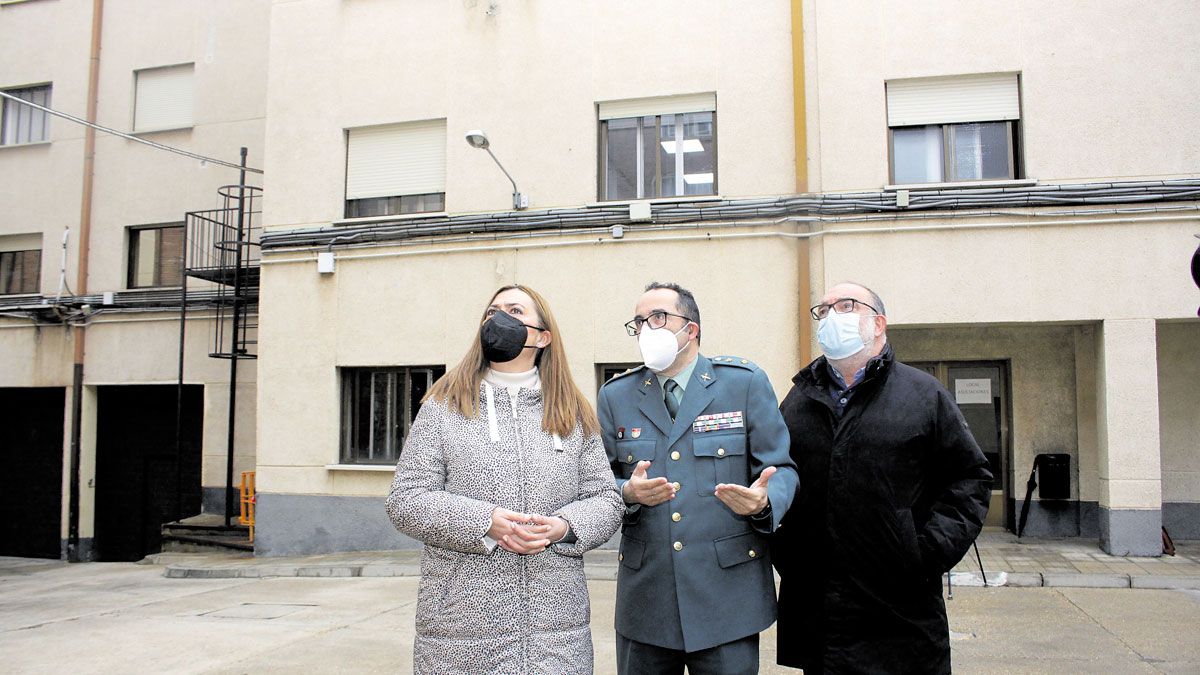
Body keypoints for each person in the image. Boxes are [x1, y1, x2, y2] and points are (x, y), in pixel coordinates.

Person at [386, 284, 624, 675]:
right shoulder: (442, 406)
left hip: (556, 636)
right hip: (460, 634)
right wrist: (485, 523)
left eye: (514, 311)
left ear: (543, 337)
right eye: (492, 311)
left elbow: (605, 498)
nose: (498, 320)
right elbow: (406, 500)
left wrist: (564, 528)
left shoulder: (573, 413)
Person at [772, 281, 993, 674]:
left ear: (879, 324)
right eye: (823, 310)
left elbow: (970, 478)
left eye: (845, 305)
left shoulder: (922, 394)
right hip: (820, 613)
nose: (830, 316)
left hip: (899, 611)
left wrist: (925, 552)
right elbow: (778, 476)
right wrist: (786, 548)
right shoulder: (799, 400)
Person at [597, 281, 798, 675]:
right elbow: (597, 483)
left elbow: (781, 468)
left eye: (658, 318)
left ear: (692, 329)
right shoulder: (616, 396)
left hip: (726, 597)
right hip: (647, 598)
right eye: (639, 322)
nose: (647, 329)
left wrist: (765, 501)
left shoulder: (742, 383)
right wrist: (627, 492)